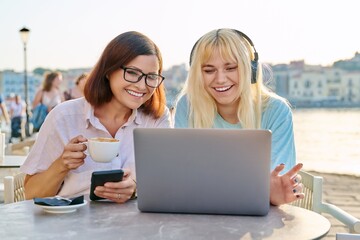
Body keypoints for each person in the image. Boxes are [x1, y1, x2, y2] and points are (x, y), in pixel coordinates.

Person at [20, 31, 171, 203]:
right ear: (108, 71)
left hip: (137, 226)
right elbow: (30, 194)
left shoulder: (157, 118)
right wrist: (61, 165)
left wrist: (135, 187)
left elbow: (166, 183)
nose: (142, 85)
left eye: (151, 77)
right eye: (132, 72)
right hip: (72, 225)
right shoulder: (63, 118)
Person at [174, 28, 304, 206]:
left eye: (231, 68)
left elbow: (276, 185)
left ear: (250, 69)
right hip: (202, 210)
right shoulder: (187, 106)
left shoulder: (277, 111)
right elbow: (182, 176)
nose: (220, 79)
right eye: (209, 70)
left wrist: (273, 191)